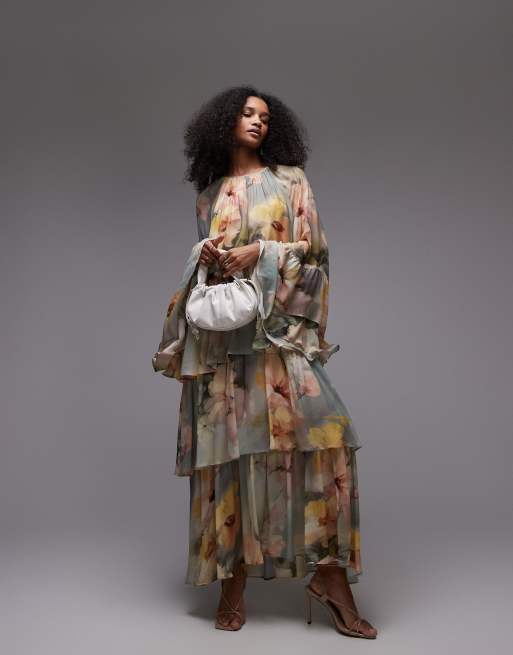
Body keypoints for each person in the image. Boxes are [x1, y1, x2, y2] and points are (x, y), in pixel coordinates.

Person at [152, 85, 378, 638]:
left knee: (329, 440)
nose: (257, 122)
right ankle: (232, 582)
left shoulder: (291, 181)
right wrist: (208, 257)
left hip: (277, 338)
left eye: (266, 117)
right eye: (247, 113)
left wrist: (263, 253)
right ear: (224, 122)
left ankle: (330, 579)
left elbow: (315, 256)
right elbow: (209, 279)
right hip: (225, 347)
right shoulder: (208, 195)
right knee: (230, 457)